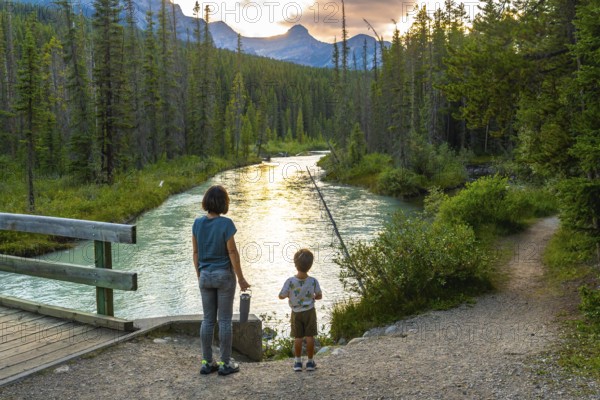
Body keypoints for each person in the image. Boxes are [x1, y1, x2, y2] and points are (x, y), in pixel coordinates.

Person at [192, 185, 250, 376]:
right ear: (224, 203)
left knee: (208, 320)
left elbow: (196, 253)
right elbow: (232, 252)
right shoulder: (226, 224)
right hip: (224, 276)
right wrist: (241, 278)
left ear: (206, 202)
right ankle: (225, 364)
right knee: (224, 320)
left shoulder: (197, 224)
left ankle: (207, 362)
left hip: (205, 275)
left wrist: (199, 274)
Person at [278, 248, 322, 372]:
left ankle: (297, 362)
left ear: (295, 264)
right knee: (309, 336)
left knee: (297, 337)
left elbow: (281, 295)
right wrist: (313, 297)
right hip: (310, 312)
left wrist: (287, 295)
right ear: (310, 265)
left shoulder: (290, 281)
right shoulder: (313, 281)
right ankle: (310, 362)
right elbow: (319, 295)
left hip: (296, 313)